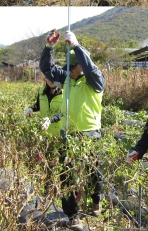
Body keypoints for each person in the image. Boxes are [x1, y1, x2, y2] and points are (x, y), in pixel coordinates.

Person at [40, 29, 105, 230]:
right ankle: (72, 214)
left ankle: (96, 199)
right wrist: (49, 47)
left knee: (93, 171)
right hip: (67, 133)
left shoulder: (94, 80)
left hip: (90, 133)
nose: (67, 70)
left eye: (71, 66)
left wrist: (76, 46)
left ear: (80, 65)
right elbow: (46, 69)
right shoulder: (66, 78)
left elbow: (90, 67)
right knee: (67, 174)